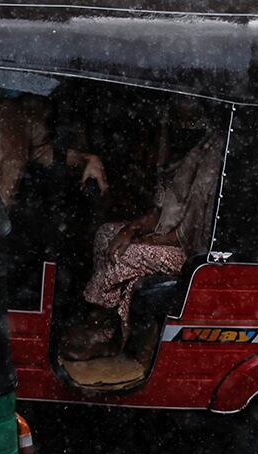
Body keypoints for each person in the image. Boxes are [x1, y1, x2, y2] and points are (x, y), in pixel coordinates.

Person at [71, 117, 226, 359]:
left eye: (188, 125)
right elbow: (159, 214)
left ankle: (100, 326)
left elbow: (189, 234)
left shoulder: (208, 166)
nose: (180, 129)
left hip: (189, 254)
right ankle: (113, 328)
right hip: (167, 239)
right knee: (106, 235)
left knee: (124, 255)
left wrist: (145, 242)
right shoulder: (179, 163)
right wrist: (130, 230)